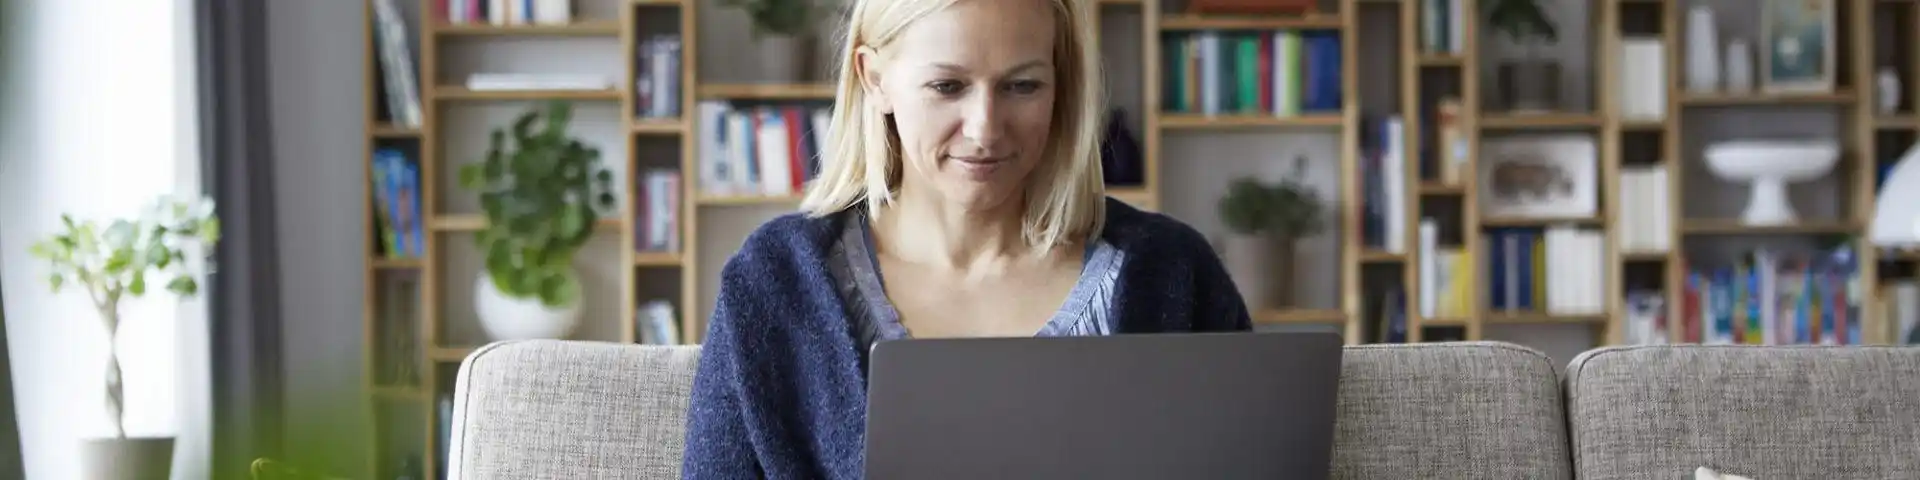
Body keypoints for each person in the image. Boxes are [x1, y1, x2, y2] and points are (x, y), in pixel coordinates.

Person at [680, 0, 1253, 475]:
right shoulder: (773, 283)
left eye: (1022, 86)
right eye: (948, 85)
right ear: (873, 79)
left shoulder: (1175, 272)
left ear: (1062, 85)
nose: (984, 129)